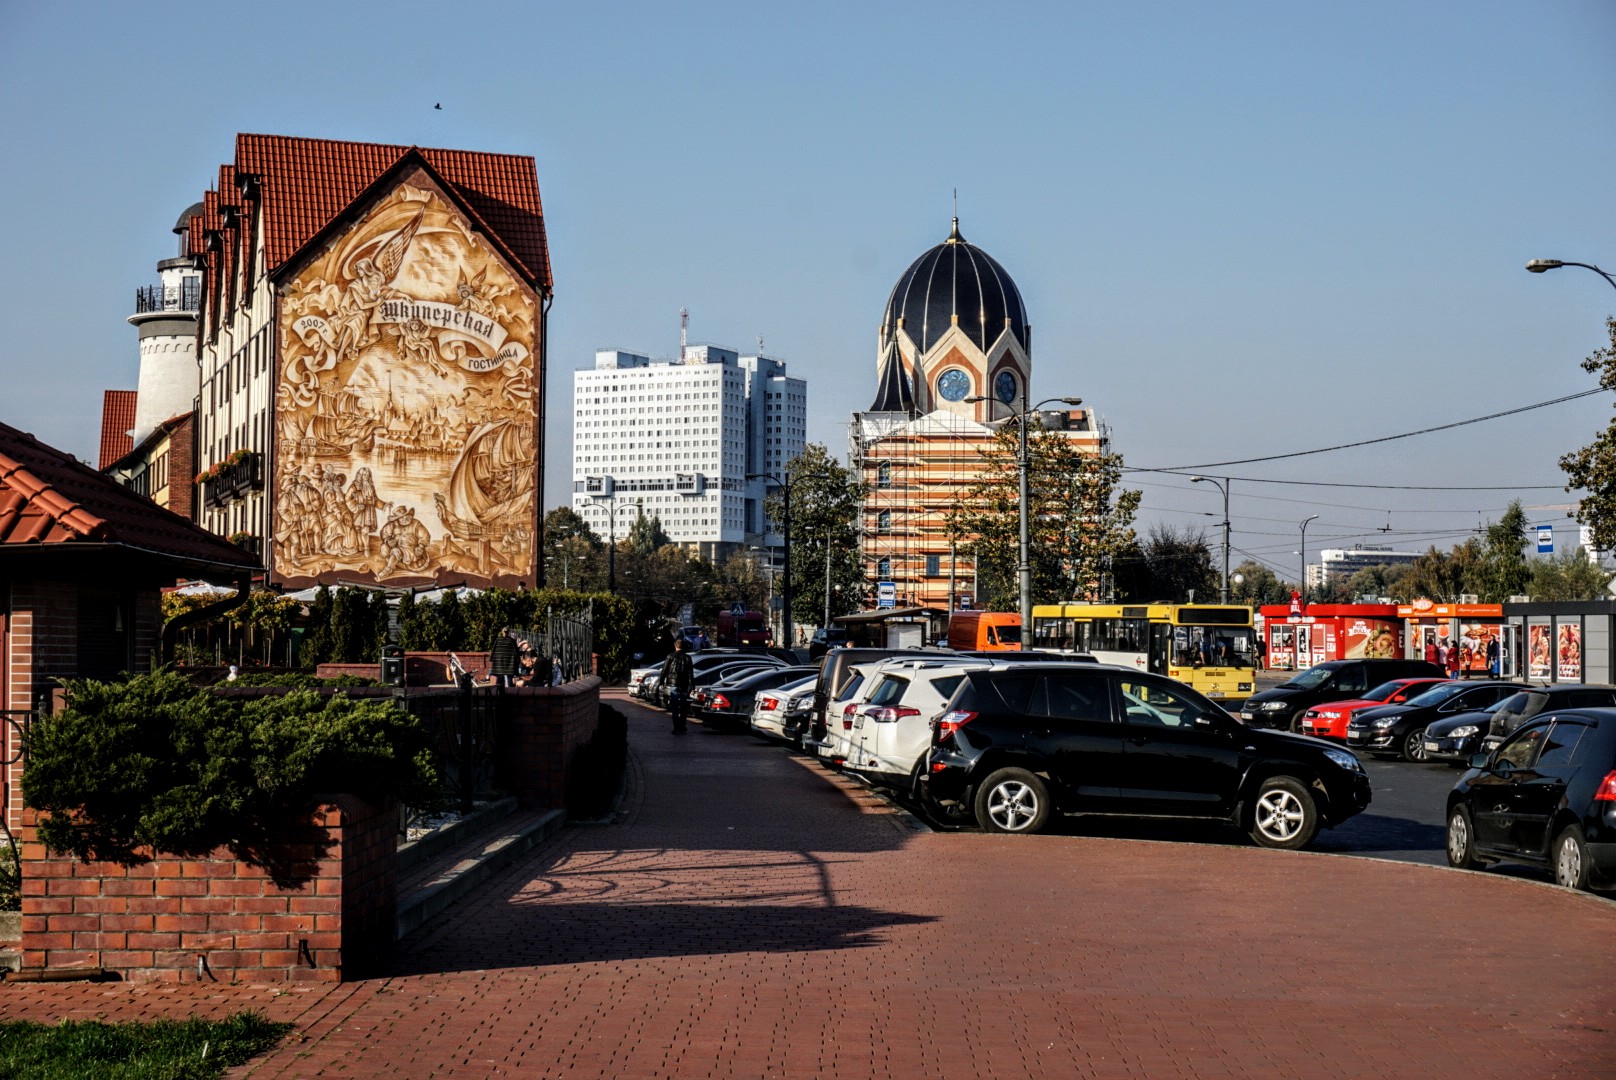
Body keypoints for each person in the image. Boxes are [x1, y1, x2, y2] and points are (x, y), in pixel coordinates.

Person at [664, 638, 694, 734]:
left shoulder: (670, 656)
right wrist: (692, 685)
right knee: (684, 705)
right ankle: (682, 725)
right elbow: (690, 673)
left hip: (673, 683)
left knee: (675, 706)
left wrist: (661, 681)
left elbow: (665, 670)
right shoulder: (687, 658)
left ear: (675, 646)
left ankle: (676, 727)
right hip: (684, 684)